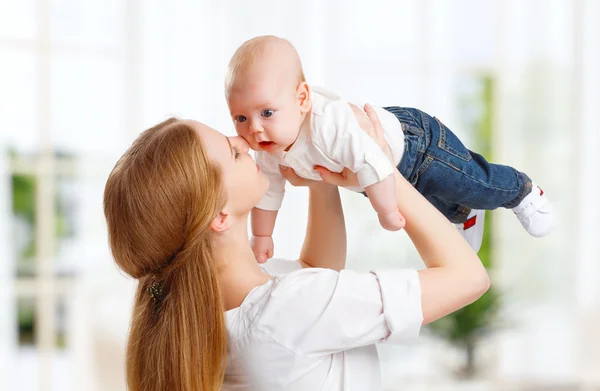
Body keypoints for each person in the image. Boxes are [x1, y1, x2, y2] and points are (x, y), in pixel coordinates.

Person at [103, 105, 489, 391]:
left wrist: (319, 177)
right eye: (233, 152)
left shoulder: (221, 308)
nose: (242, 141)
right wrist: (381, 170)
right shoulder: (284, 311)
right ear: (218, 216)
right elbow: (469, 278)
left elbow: (315, 271)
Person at [225, 35, 556, 262]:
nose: (253, 128)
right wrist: (262, 237)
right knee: (437, 204)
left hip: (416, 147)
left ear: (301, 99)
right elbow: (269, 193)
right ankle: (465, 214)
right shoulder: (266, 149)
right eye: (241, 117)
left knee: (471, 182)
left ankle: (521, 191)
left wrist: (385, 212)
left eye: (266, 112)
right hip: (375, 179)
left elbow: (374, 161)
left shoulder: (328, 123)